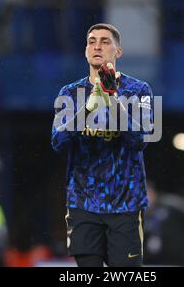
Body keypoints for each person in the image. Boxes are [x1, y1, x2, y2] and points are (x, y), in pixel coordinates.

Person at [51, 23, 154, 267]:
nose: (97, 46)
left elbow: (140, 140)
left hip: (126, 204)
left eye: (105, 41)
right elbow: (58, 141)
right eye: (91, 41)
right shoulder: (70, 92)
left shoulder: (140, 90)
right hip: (83, 203)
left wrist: (113, 100)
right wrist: (88, 108)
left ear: (118, 52)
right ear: (86, 50)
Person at [143, 182, 184, 266]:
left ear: (154, 193)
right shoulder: (138, 217)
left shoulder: (171, 206)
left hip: (175, 261)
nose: (145, 199)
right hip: (151, 263)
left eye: (147, 194)